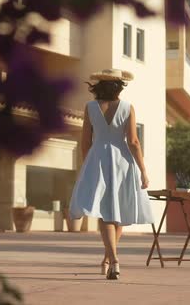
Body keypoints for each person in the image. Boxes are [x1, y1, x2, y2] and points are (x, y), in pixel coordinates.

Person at [69, 68, 154, 280]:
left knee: (105, 211)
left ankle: (109, 259)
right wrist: (143, 169)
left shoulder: (90, 107)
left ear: (98, 86)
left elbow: (85, 142)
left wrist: (87, 166)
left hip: (97, 158)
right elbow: (133, 142)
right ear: (119, 87)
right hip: (122, 161)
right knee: (120, 211)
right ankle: (114, 260)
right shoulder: (127, 107)